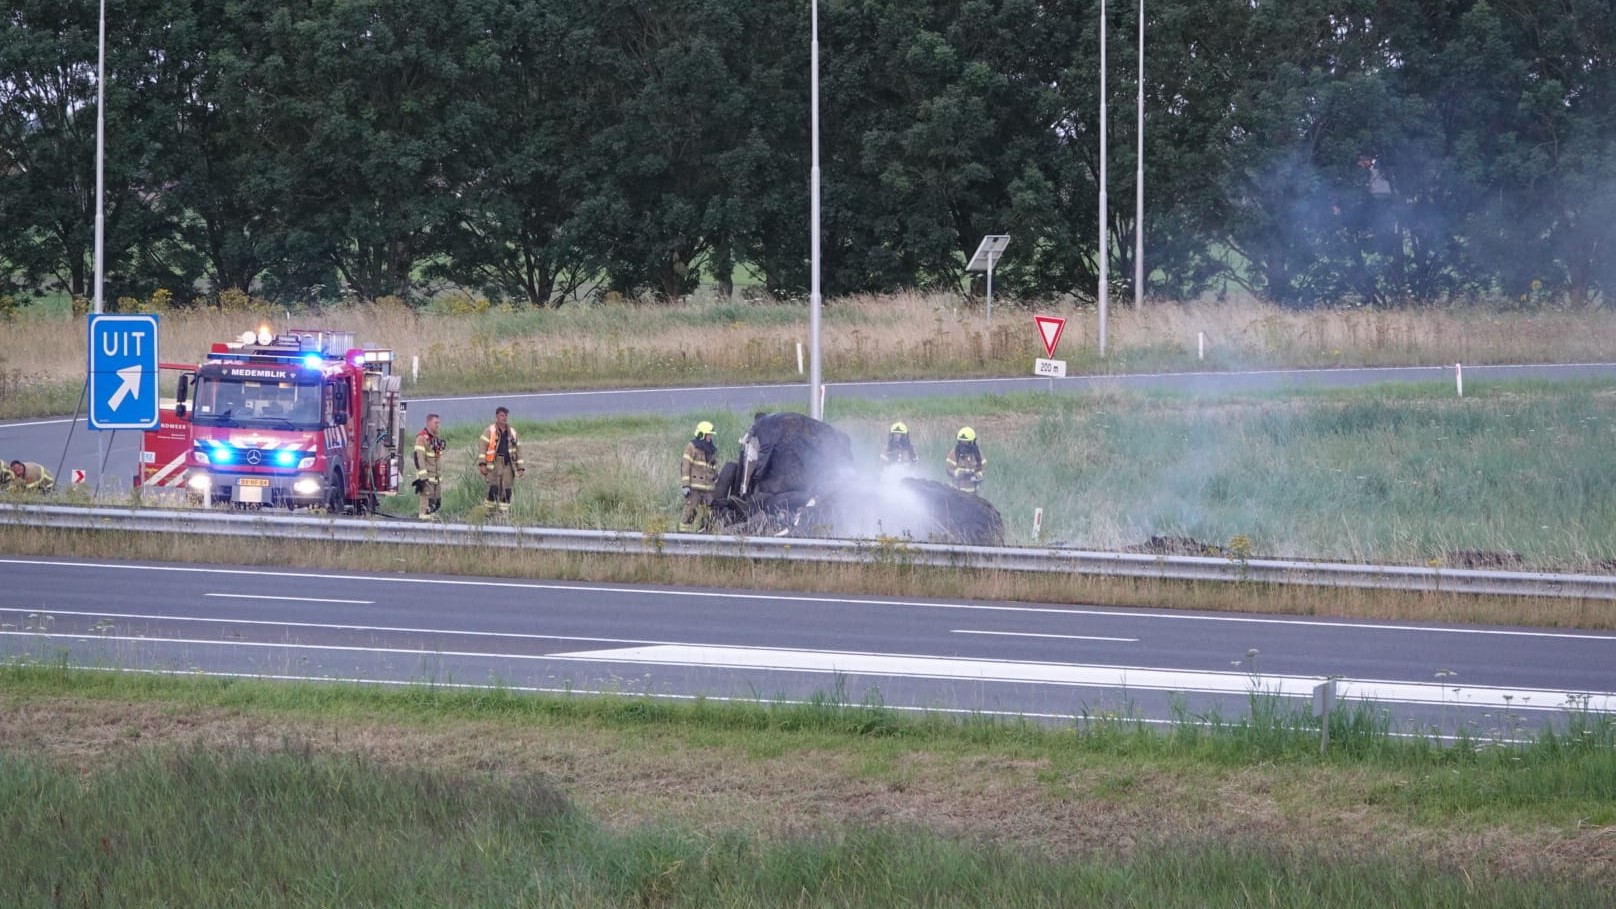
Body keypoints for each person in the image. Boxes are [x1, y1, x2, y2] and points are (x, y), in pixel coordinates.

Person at [478, 406, 525, 517]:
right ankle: (488, 513)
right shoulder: (489, 431)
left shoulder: (512, 432)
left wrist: (520, 467)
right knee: (493, 489)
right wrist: (482, 464)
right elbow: (482, 448)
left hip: (508, 465)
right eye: (502, 415)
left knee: (507, 490)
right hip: (494, 464)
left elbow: (518, 450)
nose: (504, 418)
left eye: (506, 416)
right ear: (497, 417)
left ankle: (503, 515)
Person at [679, 420, 720, 532]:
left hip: (708, 489)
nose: (710, 437)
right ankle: (683, 536)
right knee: (689, 512)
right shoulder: (691, 447)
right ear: (701, 434)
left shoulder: (711, 450)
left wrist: (716, 477)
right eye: (709, 435)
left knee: (709, 514)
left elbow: (713, 468)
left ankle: (704, 534)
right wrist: (685, 486)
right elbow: (685, 467)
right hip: (694, 488)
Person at [413, 413, 445, 519]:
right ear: (429, 423)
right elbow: (419, 458)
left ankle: (432, 527)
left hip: (436, 479)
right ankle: (423, 527)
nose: (438, 425)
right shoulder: (422, 438)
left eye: (438, 423)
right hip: (427, 479)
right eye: (436, 423)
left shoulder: (435, 438)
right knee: (426, 507)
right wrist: (423, 477)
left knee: (436, 504)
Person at [945, 427, 986, 494]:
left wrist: (976, 476)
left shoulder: (978, 455)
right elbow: (948, 470)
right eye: (961, 442)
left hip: (973, 493)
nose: (963, 445)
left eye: (966, 442)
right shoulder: (954, 453)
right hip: (956, 492)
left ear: (972, 442)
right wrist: (959, 474)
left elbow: (983, 469)